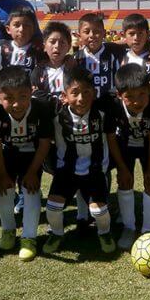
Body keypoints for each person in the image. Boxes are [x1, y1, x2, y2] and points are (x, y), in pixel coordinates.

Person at [0, 66, 53, 261]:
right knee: (3, 190)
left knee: (31, 190)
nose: (17, 104)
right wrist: (2, 174)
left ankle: (29, 237)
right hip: (6, 155)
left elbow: (45, 142)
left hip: (32, 155)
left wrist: (32, 172)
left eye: (23, 96)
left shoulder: (42, 108)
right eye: (9, 98)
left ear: (31, 92)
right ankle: (8, 230)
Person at [42, 66, 117, 254]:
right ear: (64, 95)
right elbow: (34, 98)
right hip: (66, 171)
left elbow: (122, 91)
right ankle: (57, 234)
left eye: (86, 92)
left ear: (94, 93)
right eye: (74, 93)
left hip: (95, 170)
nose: (81, 98)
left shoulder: (102, 113)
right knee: (52, 208)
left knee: (98, 212)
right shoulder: (56, 116)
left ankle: (104, 233)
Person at [107, 64, 150, 250]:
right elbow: (110, 139)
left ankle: (148, 229)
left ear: (148, 90)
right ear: (119, 95)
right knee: (124, 181)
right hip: (124, 146)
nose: (137, 101)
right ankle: (129, 227)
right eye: (129, 97)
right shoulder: (112, 105)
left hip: (149, 146)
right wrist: (122, 168)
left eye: (141, 94)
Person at [30, 21, 74, 99]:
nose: (57, 46)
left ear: (69, 47)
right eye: (52, 42)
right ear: (44, 46)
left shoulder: (74, 69)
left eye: (62, 42)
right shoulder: (38, 72)